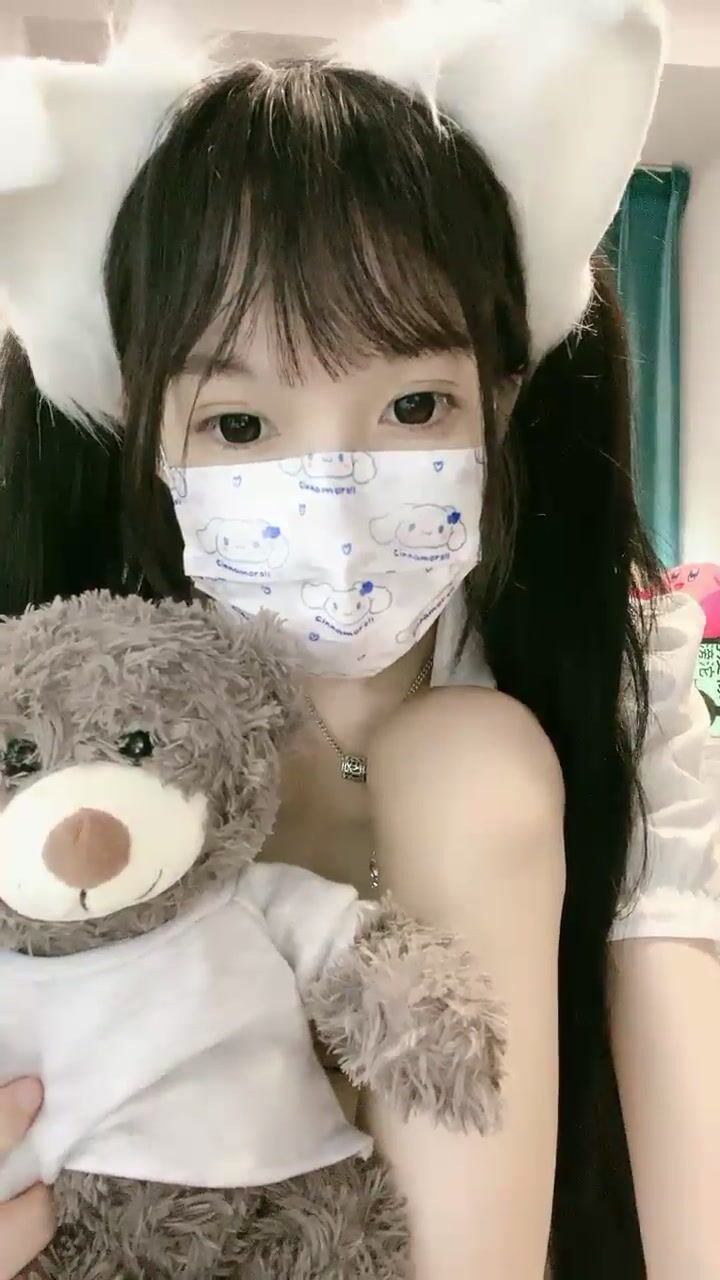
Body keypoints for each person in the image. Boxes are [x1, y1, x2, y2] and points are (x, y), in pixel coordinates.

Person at [1, 2, 719, 1278]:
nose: (331, 488)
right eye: (237, 424)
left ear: (502, 396)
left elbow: (681, 1059)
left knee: (471, 756)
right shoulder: (51, 699)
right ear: (139, 423)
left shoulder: (599, 660)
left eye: (414, 403)